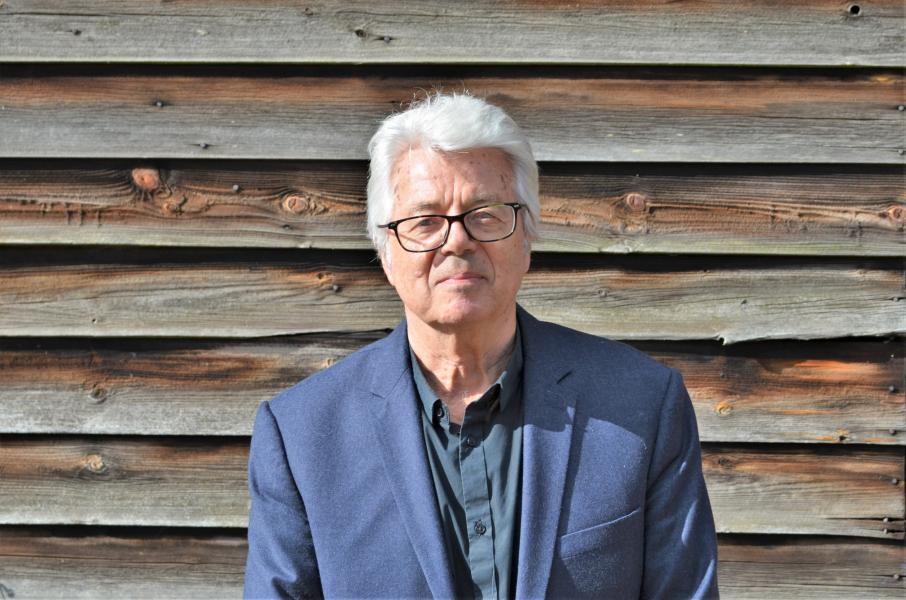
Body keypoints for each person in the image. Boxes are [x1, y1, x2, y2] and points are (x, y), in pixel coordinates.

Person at [244, 92, 718, 599]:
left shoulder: (640, 405)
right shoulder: (301, 435)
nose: (456, 241)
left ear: (527, 236)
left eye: (485, 213)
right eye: (424, 221)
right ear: (385, 252)